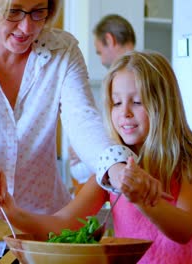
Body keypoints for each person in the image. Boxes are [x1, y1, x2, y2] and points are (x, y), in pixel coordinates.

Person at [0, 0, 132, 261]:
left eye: (38, 11)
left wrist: (115, 166)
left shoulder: (63, 51)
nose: (27, 26)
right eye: (14, 11)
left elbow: (84, 122)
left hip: (37, 232)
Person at [0, 51, 192, 263]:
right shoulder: (112, 166)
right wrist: (13, 213)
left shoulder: (189, 155)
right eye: (116, 103)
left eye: (137, 102)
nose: (125, 113)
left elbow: (183, 229)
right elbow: (64, 223)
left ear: (163, 105)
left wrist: (140, 198)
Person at [69, 14, 136, 187]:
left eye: (99, 52)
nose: (100, 59)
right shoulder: (142, 71)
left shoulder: (132, 75)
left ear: (109, 39)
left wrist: (86, 151)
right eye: (117, 103)